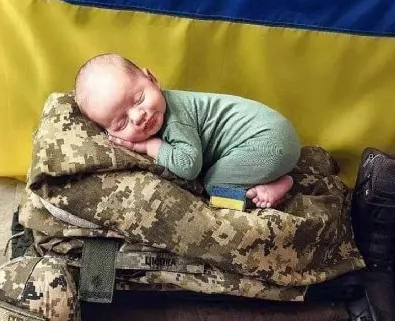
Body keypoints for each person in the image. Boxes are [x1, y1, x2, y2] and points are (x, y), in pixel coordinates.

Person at [74, 54, 301, 209]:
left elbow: (189, 166)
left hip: (267, 141)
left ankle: (272, 191)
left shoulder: (175, 120)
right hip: (275, 135)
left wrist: (150, 146)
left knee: (214, 188)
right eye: (122, 123)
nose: (139, 116)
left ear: (152, 79)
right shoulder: (158, 110)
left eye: (139, 99)